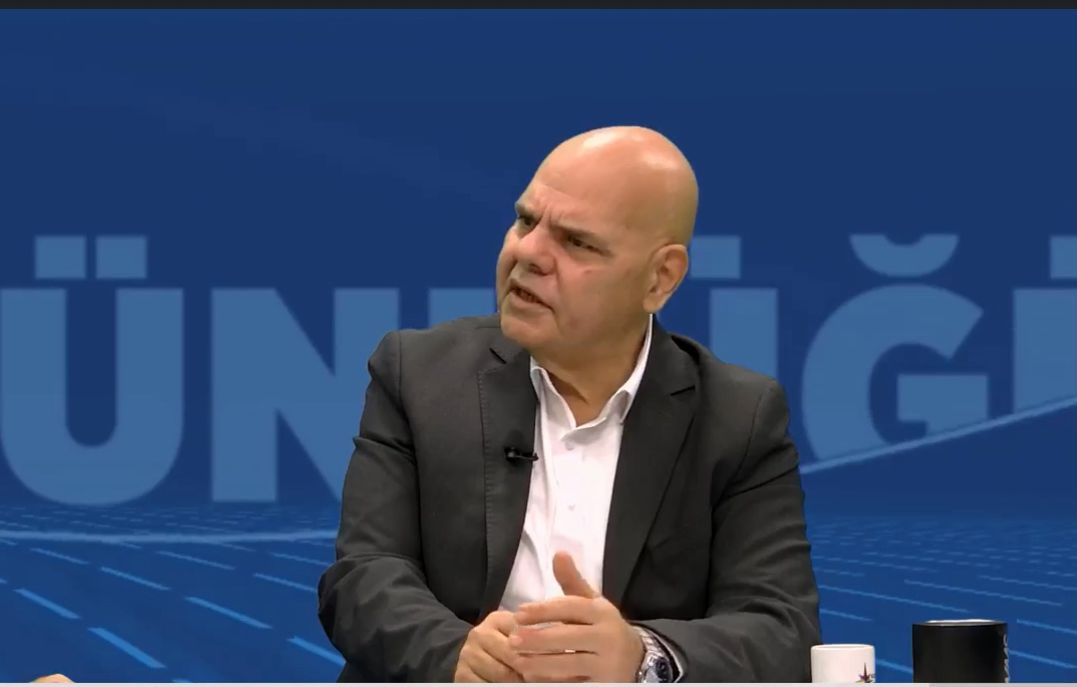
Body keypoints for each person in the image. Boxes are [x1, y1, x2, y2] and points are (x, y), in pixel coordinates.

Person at [317, 125, 820, 682]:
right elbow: (361, 577)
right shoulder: (417, 374)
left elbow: (781, 628)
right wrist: (454, 654)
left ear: (660, 278)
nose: (528, 253)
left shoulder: (738, 418)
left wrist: (641, 657)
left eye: (576, 242)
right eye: (526, 220)